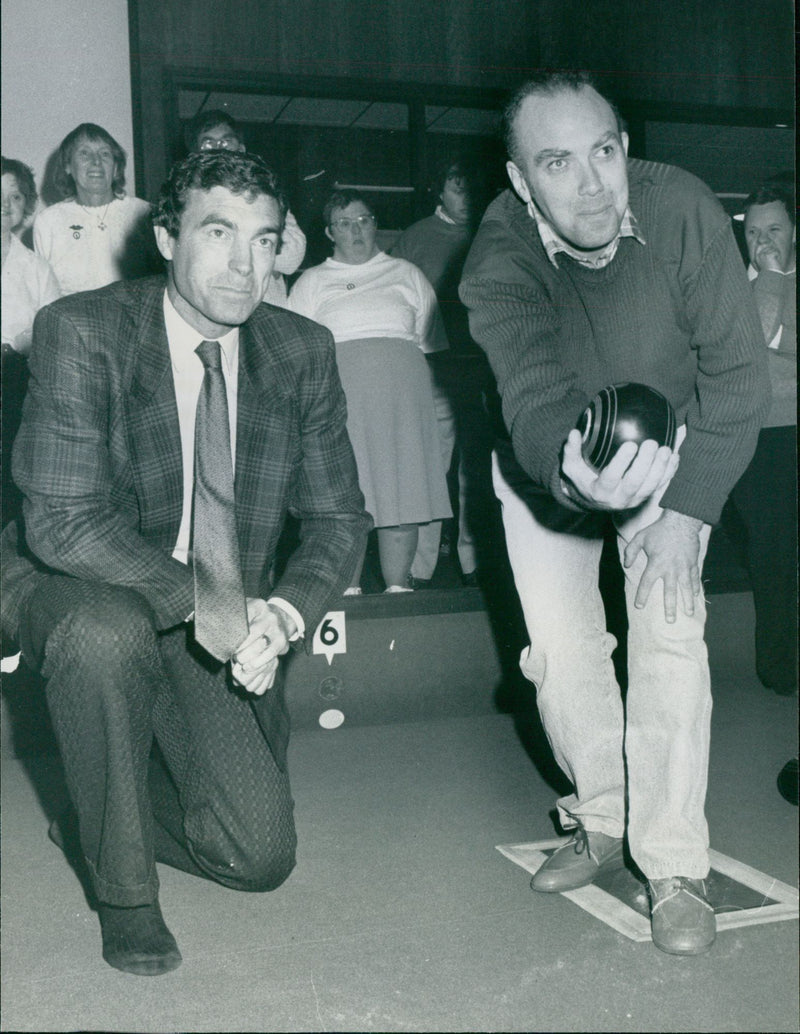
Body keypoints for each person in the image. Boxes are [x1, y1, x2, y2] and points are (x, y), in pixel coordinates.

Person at [8, 150, 370, 975]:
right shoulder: (82, 331)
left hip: (218, 606)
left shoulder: (302, 350)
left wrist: (279, 616)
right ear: (168, 236)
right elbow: (63, 523)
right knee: (107, 636)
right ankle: (125, 891)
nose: (245, 265)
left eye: (265, 240)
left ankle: (97, 809)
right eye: (219, 233)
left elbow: (338, 519)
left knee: (259, 853)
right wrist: (216, 604)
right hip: (81, 582)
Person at [459, 72, 769, 956]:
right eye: (557, 163)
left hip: (674, 446)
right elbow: (533, 400)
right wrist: (574, 474)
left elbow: (740, 380)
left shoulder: (685, 212)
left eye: (604, 151)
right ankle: (601, 819)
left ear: (625, 147)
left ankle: (672, 862)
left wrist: (687, 510)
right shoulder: (496, 259)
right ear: (522, 182)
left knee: (669, 624)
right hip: (549, 459)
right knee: (559, 652)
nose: (592, 183)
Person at [289, 188, 452, 593]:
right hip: (338, 400)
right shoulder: (312, 281)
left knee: (402, 492)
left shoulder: (406, 273)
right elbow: (294, 351)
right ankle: (346, 591)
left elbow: (431, 341)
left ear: (376, 224)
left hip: (403, 399)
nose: (356, 230)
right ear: (329, 231)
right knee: (346, 493)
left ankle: (399, 590)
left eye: (363, 220)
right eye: (345, 223)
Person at [392, 158, 493, 588]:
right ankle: (420, 568)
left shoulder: (493, 231)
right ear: (439, 191)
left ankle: (474, 564)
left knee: (478, 471)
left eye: (471, 188)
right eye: (456, 187)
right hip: (433, 372)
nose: (465, 197)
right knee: (430, 470)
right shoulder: (414, 239)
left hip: (487, 369)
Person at [728, 184, 796, 697]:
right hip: (760, 440)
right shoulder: (732, 286)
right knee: (772, 556)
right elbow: (755, 336)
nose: (762, 241)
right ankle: (780, 669)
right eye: (753, 231)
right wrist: (770, 277)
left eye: (774, 230)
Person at [184, 109, 306, 307]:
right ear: (195, 155)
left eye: (226, 142)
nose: (218, 149)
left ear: (241, 150)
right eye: (208, 143)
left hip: (264, 310)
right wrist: (263, 250)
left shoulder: (267, 193)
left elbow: (292, 258)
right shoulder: (187, 199)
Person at [2, 157, 60, 527]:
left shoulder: (37, 268)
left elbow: (52, 330)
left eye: (15, 197)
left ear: (27, 206)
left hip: (15, 381)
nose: (5, 206)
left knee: (10, 474)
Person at [33, 123, 157, 294]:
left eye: (105, 154)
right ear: (68, 166)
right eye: (84, 153)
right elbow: (43, 293)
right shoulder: (48, 222)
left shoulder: (144, 213)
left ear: (115, 168)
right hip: (72, 318)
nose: (96, 161)